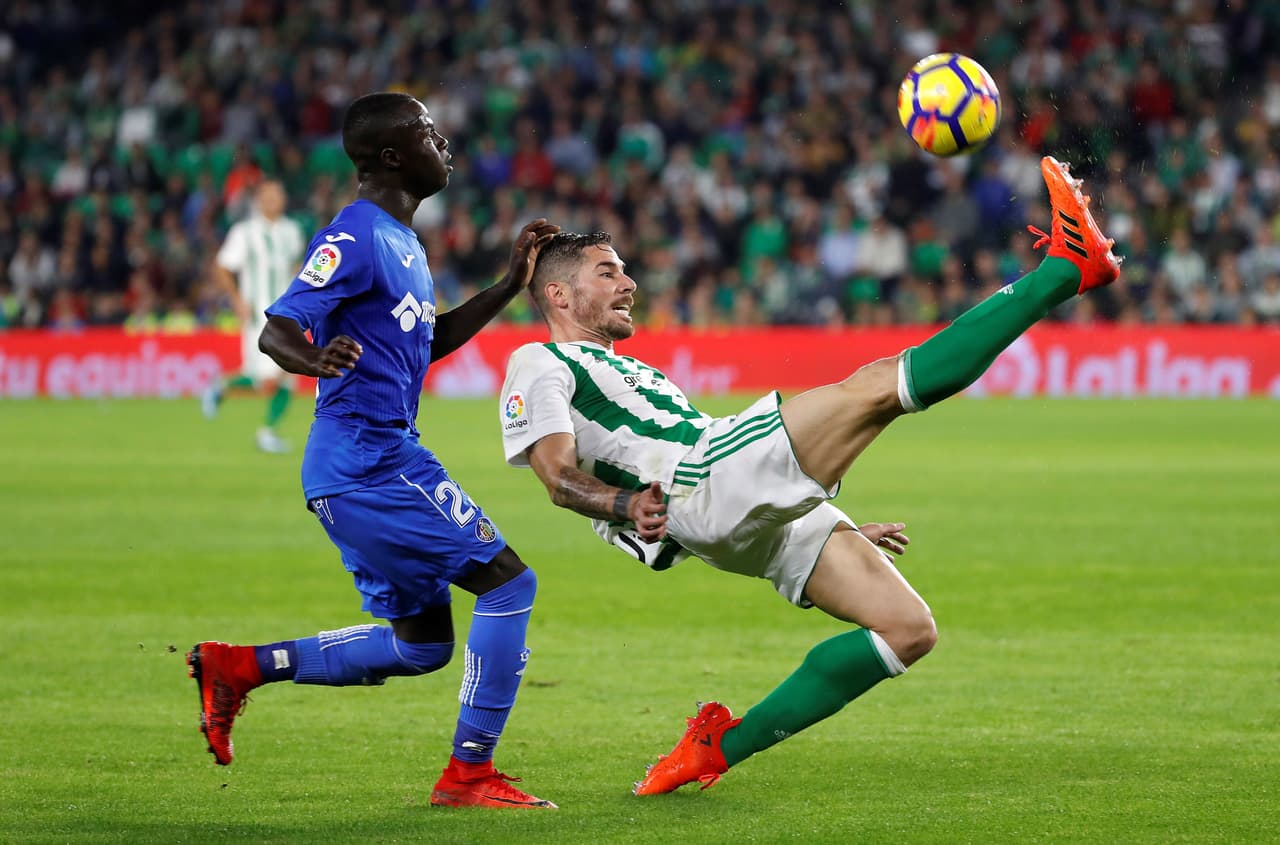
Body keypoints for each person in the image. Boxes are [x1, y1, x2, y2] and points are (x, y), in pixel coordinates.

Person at [498, 157, 1120, 795]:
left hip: (723, 513)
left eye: (626, 269)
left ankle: (716, 749)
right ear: (559, 295)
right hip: (701, 481)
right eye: (608, 272)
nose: (628, 283)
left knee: (906, 629)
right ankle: (1064, 269)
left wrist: (821, 514)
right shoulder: (538, 361)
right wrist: (626, 505)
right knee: (878, 387)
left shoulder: (636, 374)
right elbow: (556, 476)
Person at [186, 92, 561, 810]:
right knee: (510, 583)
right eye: (426, 131)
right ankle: (469, 775)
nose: (442, 140)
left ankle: (238, 667)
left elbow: (429, 346)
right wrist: (314, 356)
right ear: (392, 156)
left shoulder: (404, 243)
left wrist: (509, 286)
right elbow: (277, 331)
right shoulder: (355, 235)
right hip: (370, 460)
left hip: (358, 466)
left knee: (422, 644)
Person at [201, 180, 307, 453]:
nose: (274, 200)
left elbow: (297, 267)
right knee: (268, 380)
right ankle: (223, 390)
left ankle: (266, 431)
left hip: (288, 315)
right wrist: (236, 300)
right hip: (258, 315)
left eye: (278, 195)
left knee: (285, 377)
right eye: (268, 196)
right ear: (258, 200)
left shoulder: (291, 231)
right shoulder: (244, 232)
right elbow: (223, 267)